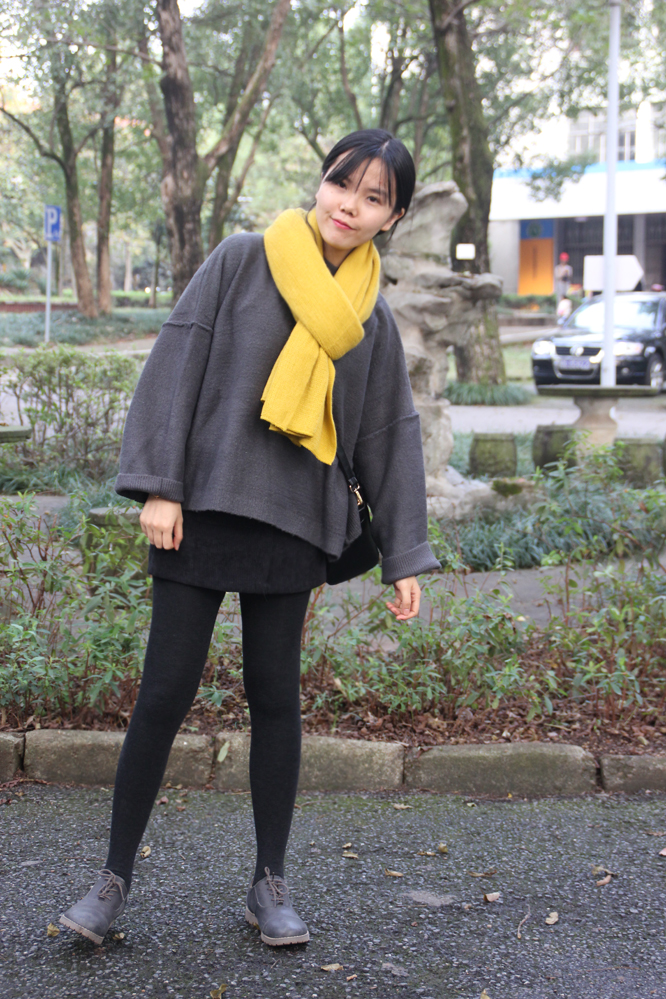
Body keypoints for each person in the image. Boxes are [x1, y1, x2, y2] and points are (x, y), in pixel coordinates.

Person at [59, 129, 440, 948]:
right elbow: (176, 364)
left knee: (275, 698)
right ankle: (112, 878)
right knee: (164, 691)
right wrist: (160, 485)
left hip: (295, 521)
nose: (350, 205)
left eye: (374, 197)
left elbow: (388, 434)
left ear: (394, 217)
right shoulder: (243, 257)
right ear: (322, 181)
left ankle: (269, 882)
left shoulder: (371, 317)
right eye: (343, 184)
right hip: (201, 506)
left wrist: (405, 556)